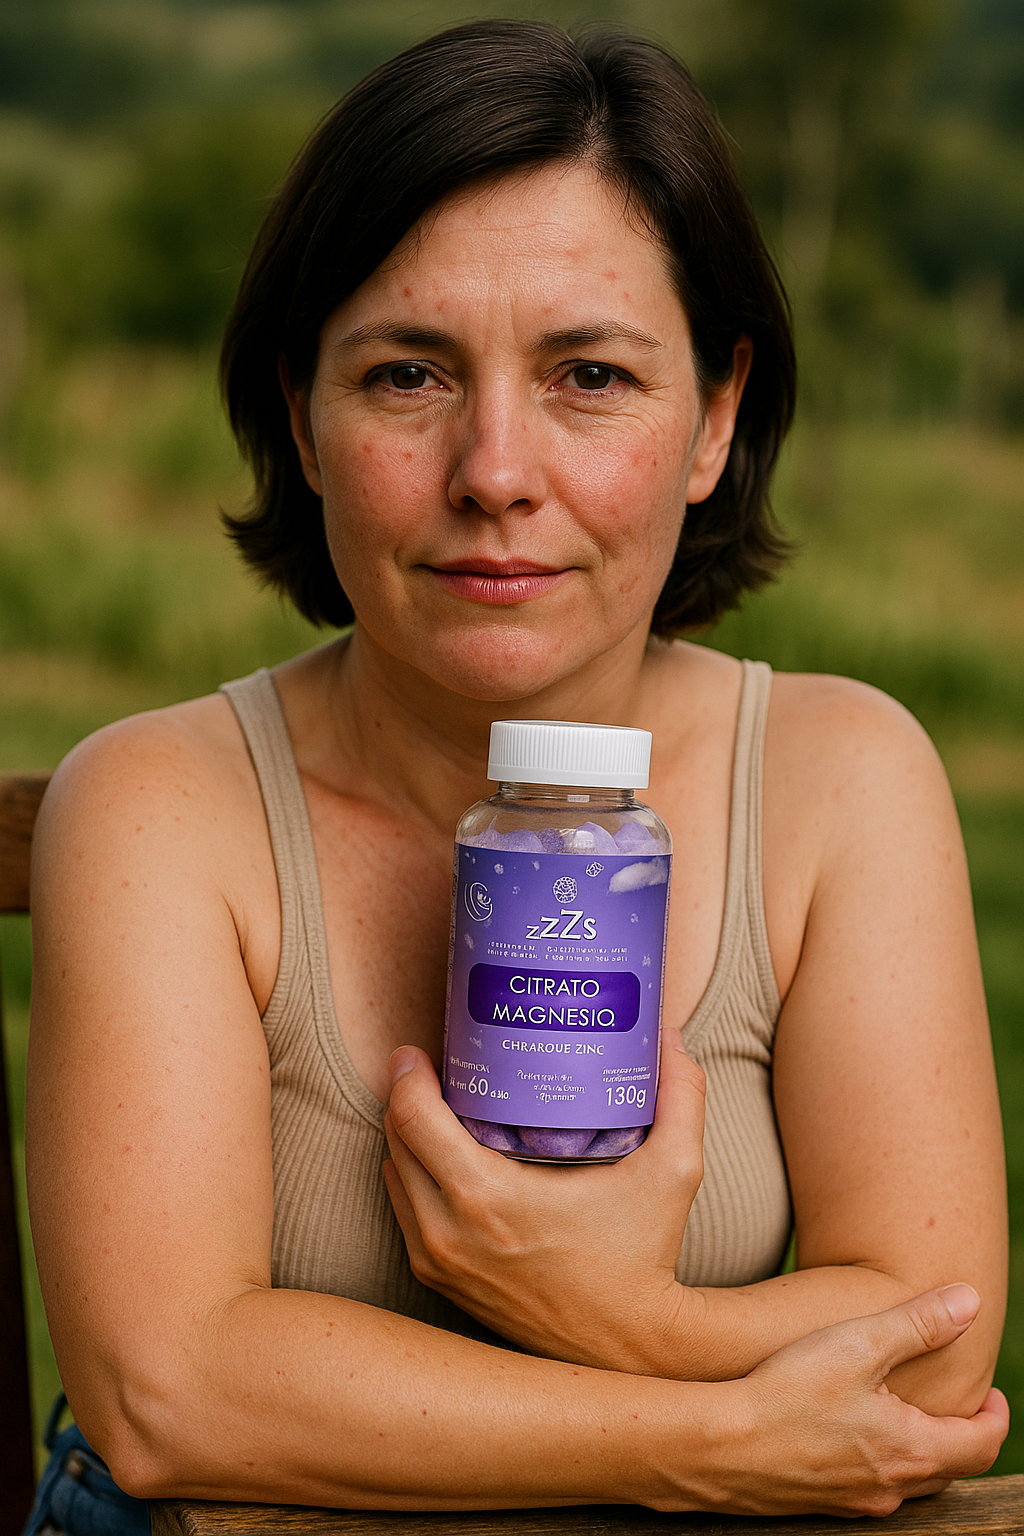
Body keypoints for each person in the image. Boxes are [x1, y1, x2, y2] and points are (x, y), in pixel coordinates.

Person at [25, 18, 1008, 1524]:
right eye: (407, 375)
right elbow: (169, 1394)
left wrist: (610, 1310)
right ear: (302, 418)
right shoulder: (158, 805)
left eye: (589, 374)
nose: (493, 470)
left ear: (715, 418)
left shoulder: (841, 778)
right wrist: (710, 1437)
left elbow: (931, 1359)